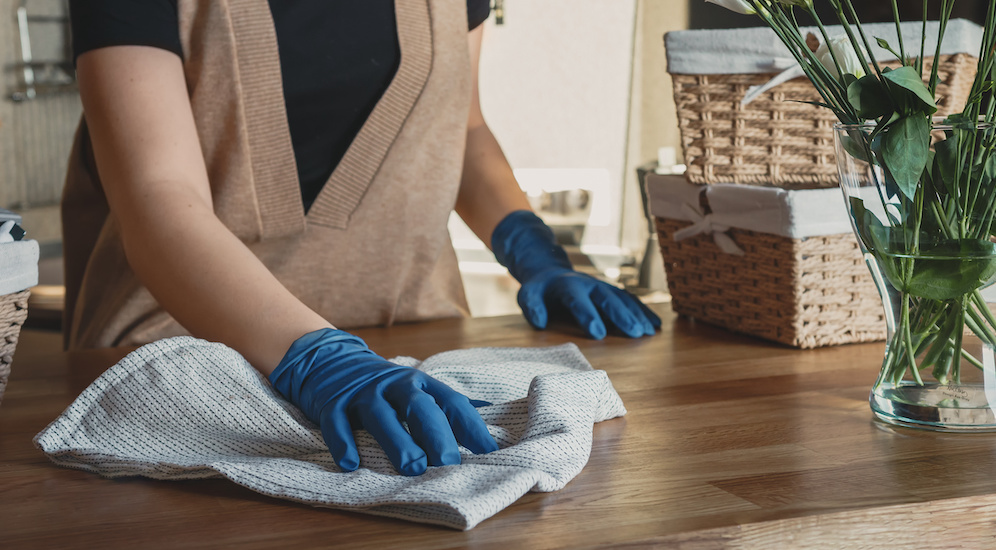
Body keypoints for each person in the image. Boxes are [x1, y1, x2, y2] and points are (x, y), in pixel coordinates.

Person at [63, 0, 660, 476]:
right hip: (186, 370)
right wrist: (320, 357)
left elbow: (464, 126)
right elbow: (157, 196)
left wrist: (533, 251)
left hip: (414, 353)